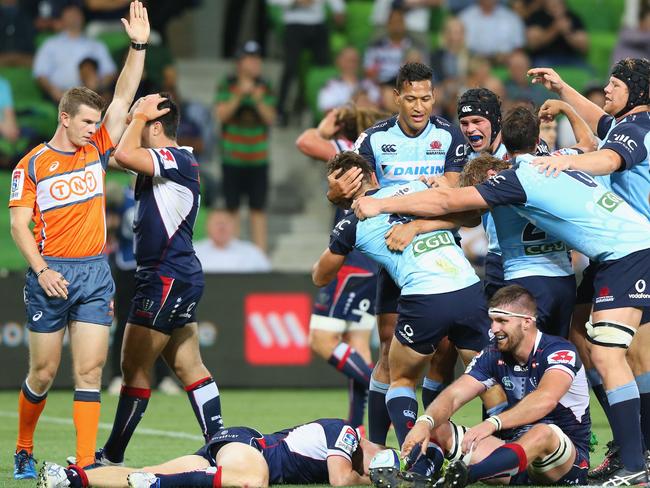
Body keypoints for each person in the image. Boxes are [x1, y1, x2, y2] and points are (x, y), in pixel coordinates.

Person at [352, 106, 650, 486]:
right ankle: (628, 454)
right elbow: (589, 143)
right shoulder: (558, 160)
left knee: (597, 357)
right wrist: (566, 102)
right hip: (595, 262)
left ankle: (626, 460)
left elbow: (449, 205)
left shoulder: (516, 181)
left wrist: (382, 204)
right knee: (599, 354)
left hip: (610, 259)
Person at [8, 1, 148, 478]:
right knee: (43, 373)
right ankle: (24, 447)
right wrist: (42, 270)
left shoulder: (95, 150)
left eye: (97, 123)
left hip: (94, 271)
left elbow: (125, 93)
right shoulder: (31, 165)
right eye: (87, 122)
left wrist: (138, 46)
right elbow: (18, 225)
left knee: (89, 373)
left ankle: (85, 465)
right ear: (65, 118)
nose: (96, 129)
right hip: (52, 273)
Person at [325, 62, 469, 446]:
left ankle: (434, 438)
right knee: (389, 349)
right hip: (393, 254)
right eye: (410, 98)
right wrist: (337, 192)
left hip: (438, 247)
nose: (419, 106)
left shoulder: (450, 136)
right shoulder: (373, 140)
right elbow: (348, 190)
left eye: (425, 98)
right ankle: (375, 446)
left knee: (443, 352)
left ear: (434, 96)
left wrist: (413, 219)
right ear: (397, 98)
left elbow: (454, 197)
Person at [315, 150, 491, 450]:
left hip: (424, 296)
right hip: (468, 287)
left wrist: (341, 219)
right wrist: (425, 220)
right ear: (373, 175)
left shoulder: (350, 227)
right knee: (487, 376)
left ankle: (412, 454)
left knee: (400, 377)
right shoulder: (418, 187)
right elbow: (472, 215)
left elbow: (320, 276)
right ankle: (509, 448)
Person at [92, 93, 223, 466]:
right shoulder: (165, 163)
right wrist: (132, 118)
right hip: (174, 275)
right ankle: (220, 443)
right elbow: (116, 156)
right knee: (189, 366)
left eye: (141, 119)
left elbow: (128, 154)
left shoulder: (175, 158)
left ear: (155, 126)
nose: (134, 121)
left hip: (165, 277)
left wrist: (137, 116)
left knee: (133, 366)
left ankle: (112, 456)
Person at [391, 285, 590, 488]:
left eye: (502, 321)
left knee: (544, 431)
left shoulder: (558, 350)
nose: (494, 329)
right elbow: (454, 395)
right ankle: (417, 478)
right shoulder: (492, 354)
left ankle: (464, 477)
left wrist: (492, 423)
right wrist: (425, 422)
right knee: (438, 425)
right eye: (492, 320)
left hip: (564, 463)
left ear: (527, 323)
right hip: (511, 459)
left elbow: (545, 399)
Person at [297, 104, 389, 430]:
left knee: (322, 340)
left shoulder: (348, 154)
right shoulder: (380, 153)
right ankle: (358, 426)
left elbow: (305, 142)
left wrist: (323, 128)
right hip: (373, 261)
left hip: (351, 258)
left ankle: (386, 397)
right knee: (358, 344)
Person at [38, 418, 384, 487]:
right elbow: (342, 481)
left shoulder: (348, 451)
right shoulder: (348, 433)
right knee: (253, 480)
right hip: (248, 448)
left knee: (144, 471)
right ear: (376, 448)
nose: (372, 475)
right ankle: (159, 485)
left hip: (227, 456)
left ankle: (69, 477)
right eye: (376, 469)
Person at [214, 40, 276, 253]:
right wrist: (240, 95)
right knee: (232, 209)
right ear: (240, 63)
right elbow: (221, 115)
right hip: (232, 158)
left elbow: (270, 118)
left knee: (258, 209)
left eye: (257, 58)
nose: (256, 63)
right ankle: (235, 256)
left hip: (258, 158)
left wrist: (258, 100)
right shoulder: (227, 84)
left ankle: (260, 257)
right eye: (251, 58)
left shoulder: (265, 86)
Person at [33, 3, 117, 103]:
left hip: (92, 95)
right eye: (70, 14)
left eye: (77, 14)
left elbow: (110, 72)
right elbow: (40, 73)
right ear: (61, 19)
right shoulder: (50, 44)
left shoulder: (96, 44)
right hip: (60, 96)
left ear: (83, 17)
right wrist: (54, 92)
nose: (74, 17)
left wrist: (98, 87)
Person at [194, 209, 271, 273]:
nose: (222, 227)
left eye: (225, 223)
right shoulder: (193, 252)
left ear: (234, 226)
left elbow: (266, 279)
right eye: (218, 223)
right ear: (207, 226)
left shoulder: (252, 252)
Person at [525, 0, 589, 67]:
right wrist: (555, 29)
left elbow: (584, 48)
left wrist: (567, 33)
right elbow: (533, 45)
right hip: (544, 58)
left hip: (571, 58)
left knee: (588, 70)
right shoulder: (537, 17)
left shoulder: (573, 17)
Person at [317, 46, 380, 114]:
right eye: (349, 60)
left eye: (355, 60)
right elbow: (329, 113)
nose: (352, 64)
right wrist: (353, 105)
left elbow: (378, 108)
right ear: (339, 61)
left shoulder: (369, 84)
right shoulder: (331, 86)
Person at [458, 0, 525, 63]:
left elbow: (518, 47)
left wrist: (507, 57)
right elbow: (458, 46)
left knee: (519, 59)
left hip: (505, 64)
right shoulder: (465, 18)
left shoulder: (512, 18)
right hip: (472, 63)